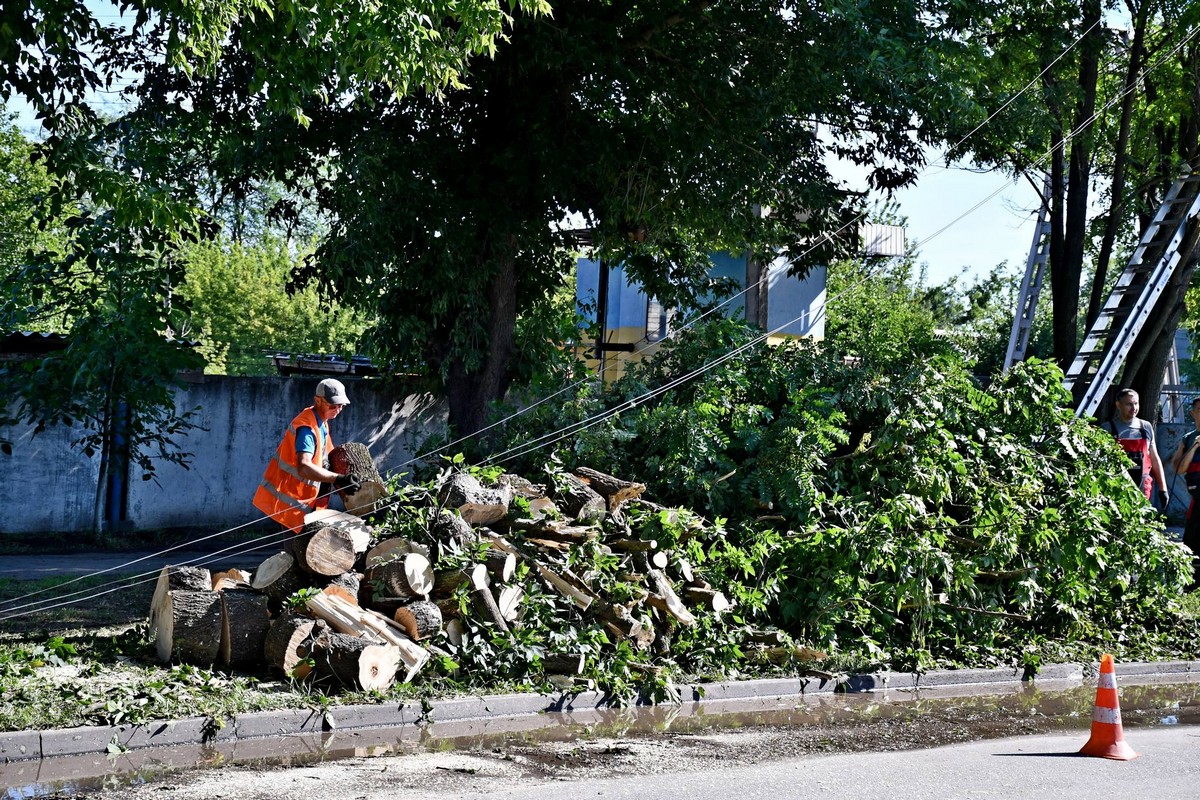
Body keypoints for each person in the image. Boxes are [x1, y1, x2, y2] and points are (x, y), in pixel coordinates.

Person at [253, 378, 360, 532]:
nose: (337, 409)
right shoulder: (306, 429)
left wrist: (343, 482)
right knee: (297, 553)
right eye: (333, 405)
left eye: (341, 405)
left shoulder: (321, 423)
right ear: (318, 400)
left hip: (306, 505)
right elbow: (304, 467)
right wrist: (338, 479)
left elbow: (324, 460)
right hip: (294, 505)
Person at [1102, 388, 1168, 508]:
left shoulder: (1146, 427)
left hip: (1142, 486)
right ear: (1118, 405)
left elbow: (1154, 458)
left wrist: (1163, 489)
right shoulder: (1107, 428)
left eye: (1136, 403)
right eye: (1129, 404)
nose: (1133, 408)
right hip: (1117, 485)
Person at [1170, 396, 1200, 588]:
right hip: (1196, 498)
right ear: (1192, 413)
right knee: (1192, 540)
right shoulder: (1188, 438)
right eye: (1199, 409)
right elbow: (1179, 468)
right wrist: (1196, 445)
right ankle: (1192, 583)